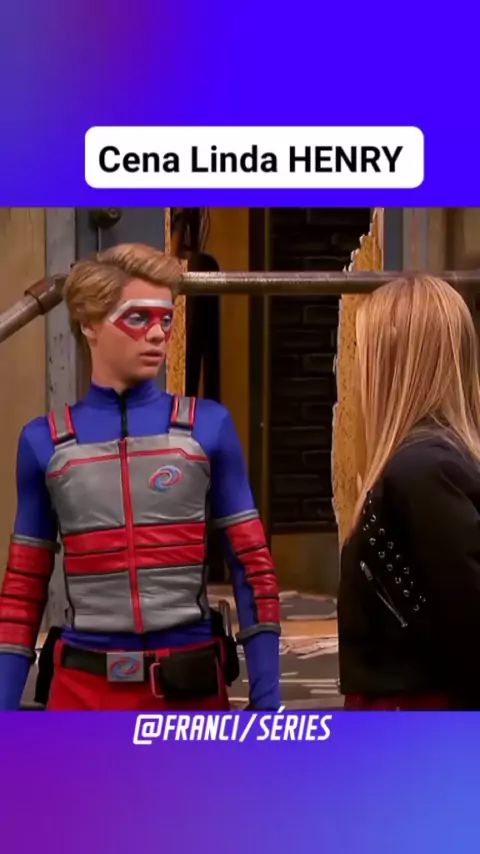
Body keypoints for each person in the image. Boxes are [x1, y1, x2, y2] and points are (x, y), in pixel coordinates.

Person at [0, 243, 281, 710]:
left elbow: (252, 568)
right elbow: (22, 590)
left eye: (166, 319)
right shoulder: (42, 441)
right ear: (89, 323)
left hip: (188, 686)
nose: (157, 334)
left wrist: (267, 703)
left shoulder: (208, 426)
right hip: (82, 691)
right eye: (138, 317)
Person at [338, 275, 480, 710]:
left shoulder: (423, 471)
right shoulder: (426, 463)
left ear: (393, 362)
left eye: (363, 353)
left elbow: (468, 623)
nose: (355, 370)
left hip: (417, 716)